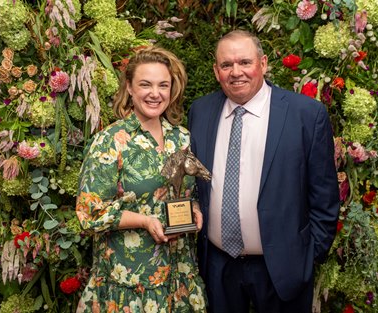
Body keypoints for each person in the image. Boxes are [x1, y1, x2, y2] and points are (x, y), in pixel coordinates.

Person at [188, 30, 340, 313]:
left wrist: (308, 257)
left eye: (245, 62)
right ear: (216, 70)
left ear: (263, 63)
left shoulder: (306, 115)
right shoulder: (201, 111)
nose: (236, 72)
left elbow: (325, 197)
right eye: (226, 65)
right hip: (219, 267)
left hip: (283, 268)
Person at [76, 46, 207, 312]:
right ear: (130, 88)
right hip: (129, 280)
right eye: (145, 84)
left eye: (163, 85)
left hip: (178, 273)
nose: (155, 93)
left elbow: (186, 191)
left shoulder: (181, 138)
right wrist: (145, 221)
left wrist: (194, 208)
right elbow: (89, 214)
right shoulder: (111, 141)